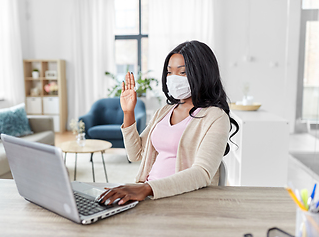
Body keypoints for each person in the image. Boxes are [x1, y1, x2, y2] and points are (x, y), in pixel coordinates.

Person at [96, 40, 239, 206]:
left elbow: (202, 173)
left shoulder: (215, 117)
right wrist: (128, 112)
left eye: (182, 72)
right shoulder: (163, 112)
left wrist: (147, 189)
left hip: (181, 200)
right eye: (169, 72)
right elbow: (135, 154)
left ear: (202, 73)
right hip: (148, 195)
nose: (173, 79)